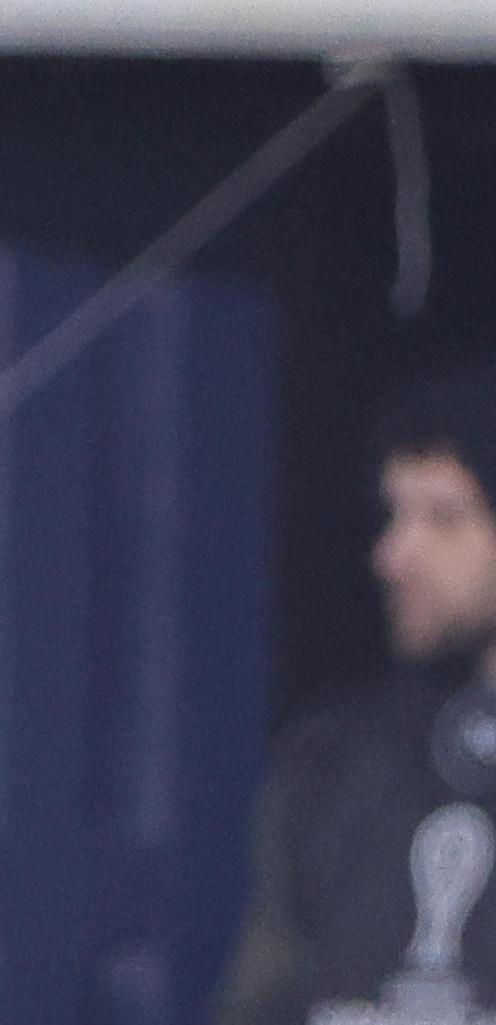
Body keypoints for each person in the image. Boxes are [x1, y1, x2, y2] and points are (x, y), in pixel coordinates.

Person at [213, 365, 496, 1024]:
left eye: (444, 518)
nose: (395, 554)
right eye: (396, 513)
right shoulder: (334, 755)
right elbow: (260, 997)